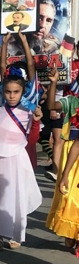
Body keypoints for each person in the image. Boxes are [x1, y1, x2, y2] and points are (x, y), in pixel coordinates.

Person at [0, 33, 42, 251]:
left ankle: (16, 233)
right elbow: (3, 68)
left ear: (23, 91)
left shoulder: (28, 111)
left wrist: (23, 41)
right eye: (8, 91)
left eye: (16, 92)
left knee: (16, 194)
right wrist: (4, 44)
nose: (12, 95)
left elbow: (31, 68)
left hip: (17, 158)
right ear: (2, 91)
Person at [47, 67, 79, 252]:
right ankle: (69, 231)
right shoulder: (72, 101)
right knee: (66, 195)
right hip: (70, 152)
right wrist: (53, 83)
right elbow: (52, 105)